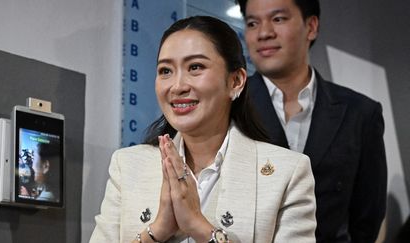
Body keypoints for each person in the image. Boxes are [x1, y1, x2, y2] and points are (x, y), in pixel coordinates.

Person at [90, 15, 316, 243]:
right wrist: (157, 231)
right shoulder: (127, 166)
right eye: (165, 71)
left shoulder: (288, 173)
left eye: (195, 67)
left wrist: (200, 228)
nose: (177, 86)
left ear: (236, 81)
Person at [236, 0, 387, 242]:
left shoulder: (360, 113)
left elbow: (367, 217)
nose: (264, 33)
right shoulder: (227, 109)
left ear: (311, 27)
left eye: (278, 19)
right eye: (253, 23)